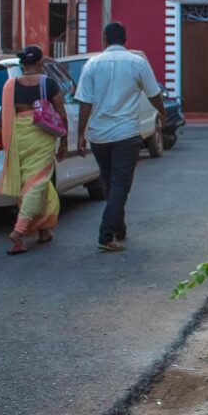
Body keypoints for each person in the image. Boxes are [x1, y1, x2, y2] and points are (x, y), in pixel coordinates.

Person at [76, 22, 164, 252]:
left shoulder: (92, 64)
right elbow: (154, 94)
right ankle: (106, 235)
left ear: (104, 39)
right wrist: (162, 113)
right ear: (125, 40)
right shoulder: (137, 63)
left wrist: (80, 134)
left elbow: (85, 102)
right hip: (126, 134)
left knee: (111, 184)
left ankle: (119, 228)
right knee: (120, 186)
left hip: (99, 135)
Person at [0, 45, 69, 255]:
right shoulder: (48, 83)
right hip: (41, 138)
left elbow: (2, 118)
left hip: (19, 139)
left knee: (35, 184)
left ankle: (43, 231)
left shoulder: (10, 86)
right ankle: (19, 231)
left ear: (22, 64)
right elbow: (62, 114)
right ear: (40, 63)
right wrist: (65, 143)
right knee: (37, 183)